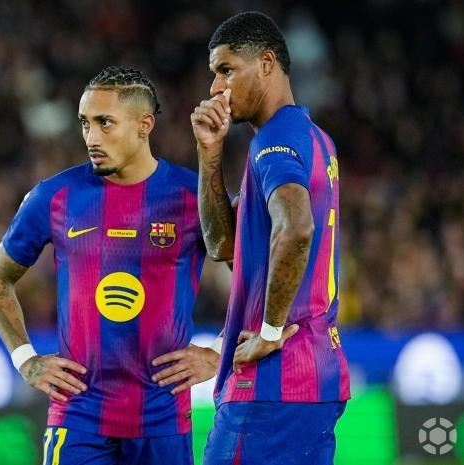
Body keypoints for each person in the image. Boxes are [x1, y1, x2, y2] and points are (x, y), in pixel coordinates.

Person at [0, 65, 218, 465]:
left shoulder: (192, 197)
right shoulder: (54, 196)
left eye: (105, 122)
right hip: (78, 416)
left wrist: (219, 352)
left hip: (162, 419)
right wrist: (26, 360)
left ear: (144, 125)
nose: (91, 137)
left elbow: (255, 275)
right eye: (85, 123)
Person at [191, 11, 351, 465]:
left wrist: (269, 331)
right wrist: (209, 155)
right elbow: (223, 246)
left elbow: (297, 228)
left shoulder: (274, 141)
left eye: (226, 69)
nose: (215, 87)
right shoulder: (313, 139)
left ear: (266, 64)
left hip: (273, 383)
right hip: (313, 379)